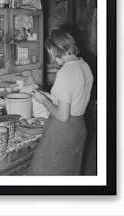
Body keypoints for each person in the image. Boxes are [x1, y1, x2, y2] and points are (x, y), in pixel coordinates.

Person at [27, 29, 94, 175]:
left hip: (62, 131)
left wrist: (43, 100)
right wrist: (50, 96)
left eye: (50, 51)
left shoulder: (65, 72)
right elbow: (73, 97)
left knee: (42, 173)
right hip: (79, 127)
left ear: (55, 50)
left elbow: (63, 115)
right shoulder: (84, 65)